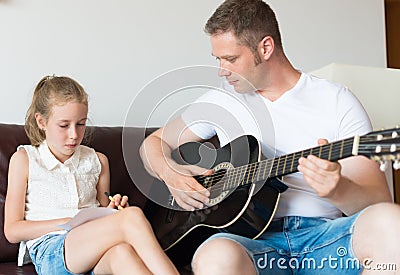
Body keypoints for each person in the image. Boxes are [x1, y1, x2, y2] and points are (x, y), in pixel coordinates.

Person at [140, 0, 400, 274]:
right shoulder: (221, 101)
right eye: (218, 59)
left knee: (392, 221)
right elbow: (153, 144)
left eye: (230, 59)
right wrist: (171, 175)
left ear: (265, 48)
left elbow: (377, 202)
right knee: (214, 256)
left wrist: (338, 189)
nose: (221, 70)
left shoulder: (336, 100)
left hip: (325, 240)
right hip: (252, 243)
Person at [4, 76, 178, 275]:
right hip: (52, 251)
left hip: (94, 255)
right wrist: (70, 222)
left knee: (123, 253)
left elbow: (105, 213)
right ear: (42, 121)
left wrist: (114, 210)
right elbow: (12, 231)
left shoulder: (98, 161)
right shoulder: (25, 159)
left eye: (80, 124)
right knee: (133, 217)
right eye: (64, 125)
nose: (74, 134)